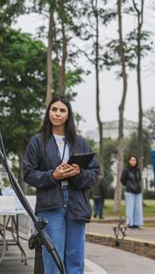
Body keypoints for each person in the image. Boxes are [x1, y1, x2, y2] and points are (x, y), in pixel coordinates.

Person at [23, 96, 99, 274]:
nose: (57, 113)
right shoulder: (37, 141)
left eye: (62, 110)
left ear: (68, 115)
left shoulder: (79, 143)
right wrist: (53, 175)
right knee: (53, 257)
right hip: (50, 205)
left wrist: (78, 174)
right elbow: (28, 173)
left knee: (75, 258)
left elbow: (94, 173)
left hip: (76, 204)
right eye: (54, 109)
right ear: (48, 112)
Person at [120, 155, 143, 229]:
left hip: (138, 191)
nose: (133, 161)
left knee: (138, 208)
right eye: (132, 160)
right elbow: (122, 179)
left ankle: (137, 223)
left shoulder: (138, 170)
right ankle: (130, 223)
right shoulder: (126, 169)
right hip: (129, 190)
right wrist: (128, 184)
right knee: (130, 207)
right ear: (129, 161)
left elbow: (139, 178)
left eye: (134, 160)